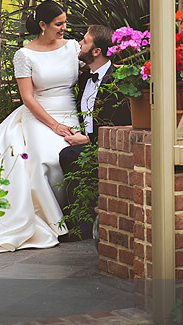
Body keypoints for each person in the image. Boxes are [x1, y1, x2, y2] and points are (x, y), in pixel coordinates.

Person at [0, 0, 88, 254]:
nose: (64, 28)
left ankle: (74, 215)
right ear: (42, 25)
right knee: (43, 159)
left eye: (65, 22)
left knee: (68, 155)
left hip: (70, 111)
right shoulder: (24, 55)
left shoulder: (73, 47)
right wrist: (54, 126)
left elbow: (98, 67)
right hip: (39, 114)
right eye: (58, 24)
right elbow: (28, 98)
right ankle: (55, 224)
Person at [59, 25, 131, 237]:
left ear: (96, 51)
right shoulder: (84, 78)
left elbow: (118, 123)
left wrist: (89, 140)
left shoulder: (118, 80)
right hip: (85, 139)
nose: (80, 44)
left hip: (109, 146)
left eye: (85, 41)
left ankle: (82, 226)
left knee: (69, 155)